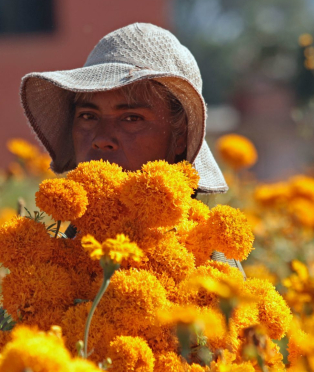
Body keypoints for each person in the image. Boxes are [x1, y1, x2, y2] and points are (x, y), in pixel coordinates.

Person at [20, 22, 244, 275]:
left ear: (180, 135)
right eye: (87, 116)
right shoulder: (56, 262)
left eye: (131, 118)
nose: (101, 139)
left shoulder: (209, 266)